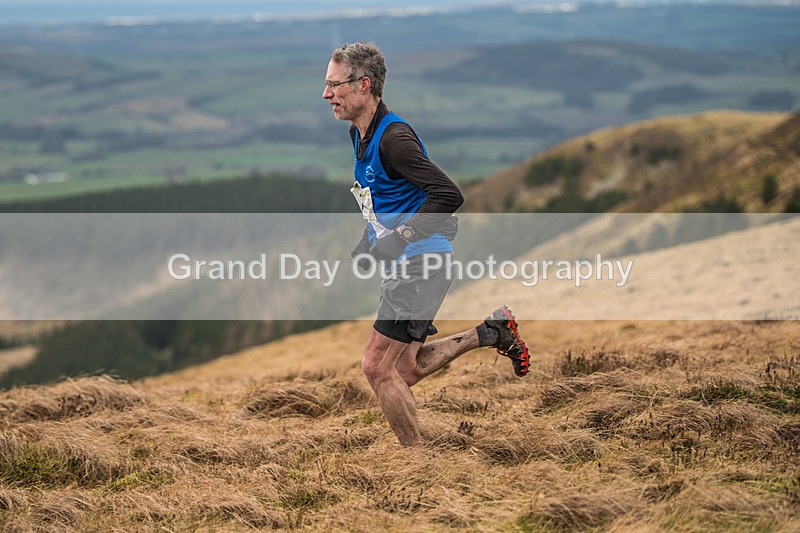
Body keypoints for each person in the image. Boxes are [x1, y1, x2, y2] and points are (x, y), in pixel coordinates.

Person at [323, 42, 530, 447]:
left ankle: (417, 461)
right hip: (413, 263)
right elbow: (382, 197)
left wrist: (400, 238)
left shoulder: (394, 139)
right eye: (326, 84)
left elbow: (448, 194)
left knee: (375, 368)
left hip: (421, 264)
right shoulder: (358, 134)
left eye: (335, 85)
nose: (327, 94)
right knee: (405, 369)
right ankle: (490, 332)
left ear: (363, 85)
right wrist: (367, 242)